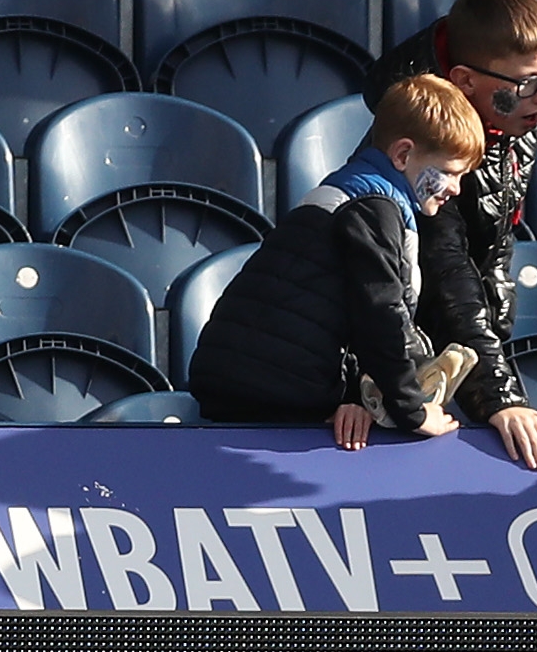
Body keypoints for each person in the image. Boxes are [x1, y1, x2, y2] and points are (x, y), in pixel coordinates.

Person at [190, 74, 483, 446]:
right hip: (270, 389)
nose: (455, 189)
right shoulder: (375, 210)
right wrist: (411, 409)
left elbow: (335, 309)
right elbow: (380, 314)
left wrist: (354, 398)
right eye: (449, 173)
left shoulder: (353, 192)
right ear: (404, 154)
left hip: (240, 380)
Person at [363, 0, 537, 470]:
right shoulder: (423, 143)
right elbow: (445, 266)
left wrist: (485, 359)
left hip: (453, 342)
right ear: (464, 81)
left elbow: (494, 245)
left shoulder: (515, 117)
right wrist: (499, 396)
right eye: (525, 84)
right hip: (387, 354)